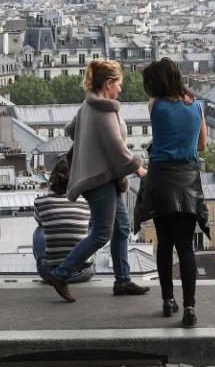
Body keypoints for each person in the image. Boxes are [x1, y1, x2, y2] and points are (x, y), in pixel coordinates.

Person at [42, 60, 149, 303]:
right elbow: (118, 149)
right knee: (102, 233)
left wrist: (90, 145)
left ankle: (123, 280)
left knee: (121, 227)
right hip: (99, 179)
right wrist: (139, 168)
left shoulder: (87, 105)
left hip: (102, 175)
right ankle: (61, 274)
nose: (121, 89)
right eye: (119, 84)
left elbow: (71, 129)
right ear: (109, 83)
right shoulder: (104, 111)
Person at [144, 58, 207, 327]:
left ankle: (168, 300)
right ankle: (190, 307)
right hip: (187, 179)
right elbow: (203, 144)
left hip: (160, 178)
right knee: (185, 247)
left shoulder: (154, 105)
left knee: (164, 244)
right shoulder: (197, 106)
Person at [33, 159, 94, 284]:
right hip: (83, 273)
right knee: (90, 228)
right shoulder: (86, 202)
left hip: (50, 275)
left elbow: (40, 221)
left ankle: (53, 264)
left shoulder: (40, 202)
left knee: (40, 229)